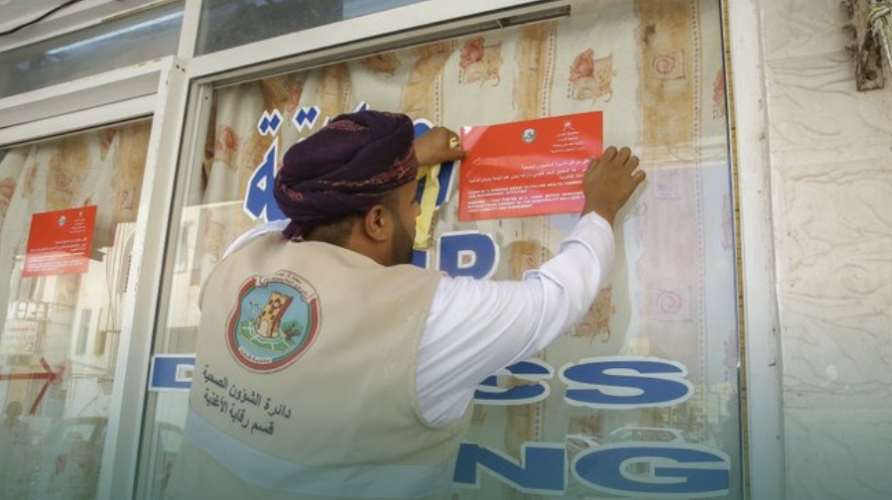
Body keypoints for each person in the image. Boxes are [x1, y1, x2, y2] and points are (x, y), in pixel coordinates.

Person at [166, 110, 644, 500]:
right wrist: (599, 210)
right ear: (376, 221)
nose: (418, 211)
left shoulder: (241, 258)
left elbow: (304, 204)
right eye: (409, 200)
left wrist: (405, 163)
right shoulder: (424, 321)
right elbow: (556, 298)